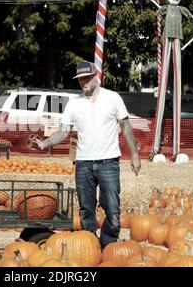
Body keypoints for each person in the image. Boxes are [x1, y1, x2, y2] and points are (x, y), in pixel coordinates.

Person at [34, 61, 141, 249]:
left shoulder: (113, 98)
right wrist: (44, 143)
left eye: (86, 77)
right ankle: (90, 245)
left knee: (113, 211)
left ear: (95, 76)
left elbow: (126, 126)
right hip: (83, 163)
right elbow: (63, 132)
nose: (83, 81)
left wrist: (134, 154)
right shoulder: (74, 103)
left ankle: (108, 246)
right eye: (80, 79)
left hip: (108, 162)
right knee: (86, 210)